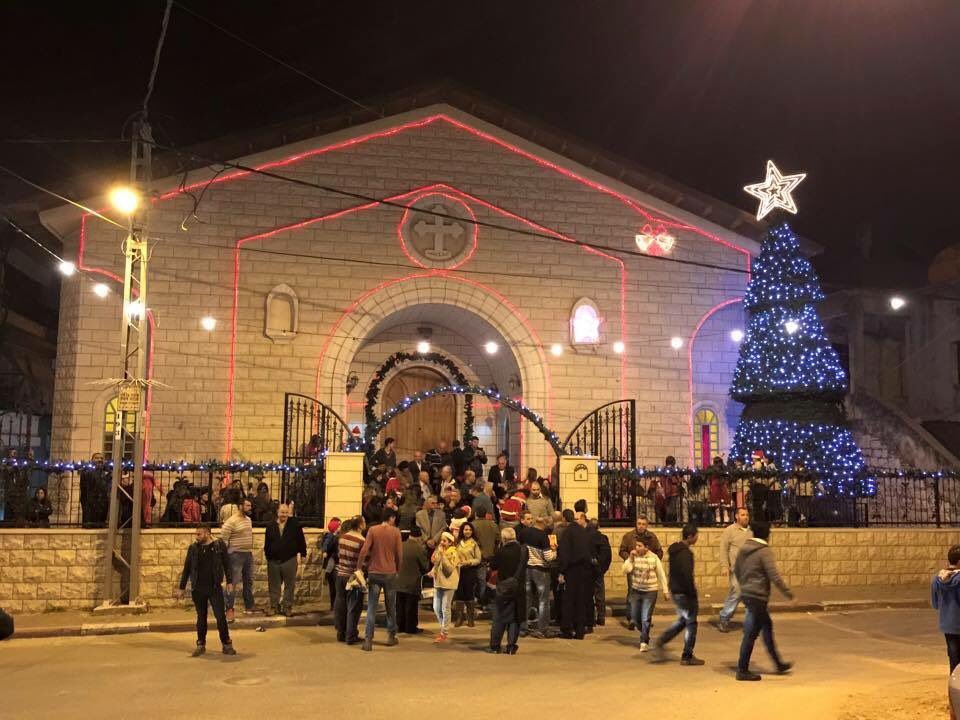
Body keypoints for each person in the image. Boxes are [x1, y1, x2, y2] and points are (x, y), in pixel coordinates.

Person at [735, 521, 794, 681]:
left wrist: (745, 584)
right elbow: (773, 575)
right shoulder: (764, 551)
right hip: (758, 596)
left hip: (747, 593)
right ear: (768, 534)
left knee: (766, 628)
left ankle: (778, 663)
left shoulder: (744, 549)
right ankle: (742, 669)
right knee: (751, 633)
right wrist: (787, 593)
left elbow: (737, 569)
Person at [176, 523, 236, 656]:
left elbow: (227, 563)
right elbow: (187, 568)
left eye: (199, 534)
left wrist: (229, 581)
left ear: (207, 533)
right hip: (198, 588)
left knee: (220, 617)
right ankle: (200, 644)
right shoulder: (193, 548)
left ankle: (226, 643)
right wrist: (182, 587)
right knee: (201, 617)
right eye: (196, 534)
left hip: (214, 587)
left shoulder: (219, 546)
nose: (196, 536)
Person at [651, 524, 704, 666]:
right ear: (690, 536)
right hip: (684, 593)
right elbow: (687, 575)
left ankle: (662, 640)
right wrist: (692, 593)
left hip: (676, 590)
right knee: (691, 623)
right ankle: (687, 655)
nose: (697, 538)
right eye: (696, 535)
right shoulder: (686, 554)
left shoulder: (675, 550)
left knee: (683, 621)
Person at [357, 506, 403, 651]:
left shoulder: (372, 530)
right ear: (392, 518)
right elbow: (399, 554)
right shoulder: (396, 532)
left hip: (374, 572)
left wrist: (359, 566)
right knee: (391, 606)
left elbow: (364, 550)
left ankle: (368, 640)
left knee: (372, 607)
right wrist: (398, 569)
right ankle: (391, 636)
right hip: (389, 573)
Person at [617, 515, 663, 630]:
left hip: (647, 571)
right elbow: (622, 550)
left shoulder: (652, 537)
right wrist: (630, 559)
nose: (641, 526)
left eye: (643, 524)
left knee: (647, 595)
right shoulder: (628, 537)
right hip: (633, 570)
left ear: (646, 525)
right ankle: (632, 619)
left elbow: (659, 551)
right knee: (632, 593)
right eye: (639, 523)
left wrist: (652, 562)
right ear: (636, 524)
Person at [622, 539, 669, 651]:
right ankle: (644, 632)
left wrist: (665, 590)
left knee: (645, 617)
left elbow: (661, 574)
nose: (636, 548)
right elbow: (625, 570)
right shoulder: (634, 556)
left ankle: (644, 641)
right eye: (636, 545)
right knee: (634, 616)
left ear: (646, 547)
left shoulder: (653, 558)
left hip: (650, 591)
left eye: (639, 545)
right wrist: (630, 558)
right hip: (636, 590)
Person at [488, 526, 528, 654]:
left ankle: (495, 646)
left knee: (499, 617)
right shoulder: (523, 550)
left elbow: (493, 566)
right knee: (514, 618)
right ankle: (511, 646)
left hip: (503, 588)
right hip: (518, 588)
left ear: (503, 538)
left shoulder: (501, 552)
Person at [263, 503, 307, 617]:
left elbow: (300, 539)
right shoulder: (270, 525)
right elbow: (267, 543)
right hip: (273, 560)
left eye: (286, 512)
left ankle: (287, 607)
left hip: (289, 559)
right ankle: (274, 606)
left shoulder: (295, 524)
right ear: (277, 512)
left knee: (289, 585)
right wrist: (268, 556)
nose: (284, 515)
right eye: (282, 512)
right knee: (274, 585)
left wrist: (303, 553)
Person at [557, 510, 593, 639]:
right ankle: (580, 630)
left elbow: (565, 554)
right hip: (583, 570)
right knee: (581, 600)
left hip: (572, 570)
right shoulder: (582, 532)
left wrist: (562, 571)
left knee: (569, 600)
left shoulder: (567, 533)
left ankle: (566, 629)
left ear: (565, 520)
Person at [220, 498, 256, 621]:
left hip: (248, 554)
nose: (250, 507)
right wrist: (226, 555)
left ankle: (249, 606)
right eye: (247, 505)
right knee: (232, 583)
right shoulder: (231, 521)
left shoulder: (249, 520)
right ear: (240, 506)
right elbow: (223, 539)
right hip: (235, 555)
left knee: (249, 581)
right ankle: (229, 609)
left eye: (250, 505)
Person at [718, 507, 753, 632]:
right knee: (736, 592)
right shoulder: (730, 531)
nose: (746, 517)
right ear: (737, 516)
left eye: (747, 515)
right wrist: (724, 566)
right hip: (736, 569)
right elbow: (723, 549)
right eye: (743, 515)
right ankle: (724, 617)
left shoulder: (751, 531)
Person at [334, 516, 366, 644]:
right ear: (360, 525)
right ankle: (351, 635)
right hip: (352, 577)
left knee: (341, 605)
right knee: (354, 607)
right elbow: (363, 560)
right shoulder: (361, 540)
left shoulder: (342, 537)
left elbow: (339, 554)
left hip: (340, 574)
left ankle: (341, 632)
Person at [522, 515, 555, 638]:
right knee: (543, 600)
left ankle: (523, 627)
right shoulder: (543, 537)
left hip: (526, 568)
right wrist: (554, 550)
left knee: (527, 598)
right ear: (545, 524)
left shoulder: (524, 532)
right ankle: (542, 629)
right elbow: (548, 557)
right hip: (541, 570)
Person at [396, 527, 430, 634]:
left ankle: (400, 626)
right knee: (411, 607)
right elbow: (425, 567)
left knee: (400, 606)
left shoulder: (400, 545)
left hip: (398, 581)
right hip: (412, 582)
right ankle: (410, 628)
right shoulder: (419, 548)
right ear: (419, 537)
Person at [931, 544, 960, 672]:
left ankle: (954, 684)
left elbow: (936, 604)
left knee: (953, 657)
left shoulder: (936, 579)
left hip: (948, 625)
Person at [430, 531, 460, 643]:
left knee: (445, 608)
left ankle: (444, 632)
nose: (442, 542)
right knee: (436, 608)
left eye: (444, 541)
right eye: (441, 540)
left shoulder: (454, 553)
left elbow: (449, 569)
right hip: (438, 582)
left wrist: (443, 556)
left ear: (450, 543)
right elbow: (435, 563)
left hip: (449, 583)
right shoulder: (440, 550)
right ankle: (444, 627)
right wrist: (432, 570)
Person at [453, 521, 482, 627]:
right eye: (466, 529)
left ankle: (470, 618)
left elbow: (478, 559)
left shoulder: (475, 543)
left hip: (470, 571)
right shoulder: (457, 542)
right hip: (459, 571)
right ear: (462, 531)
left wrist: (469, 562)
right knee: (459, 594)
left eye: (470, 530)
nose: (468, 531)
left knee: (469, 594)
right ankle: (459, 617)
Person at [588, 518, 612, 628]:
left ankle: (591, 618)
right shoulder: (603, 538)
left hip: (588, 569)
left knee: (588, 595)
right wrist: (603, 568)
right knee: (599, 594)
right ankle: (601, 617)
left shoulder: (585, 537)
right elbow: (607, 555)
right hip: (598, 570)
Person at [79, 453, 108, 526]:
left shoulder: (107, 472)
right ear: (92, 460)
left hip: (103, 502)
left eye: (101, 458)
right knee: (90, 523)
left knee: (101, 523)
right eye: (97, 458)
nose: (99, 460)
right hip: (90, 502)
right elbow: (84, 487)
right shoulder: (86, 471)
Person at [320, 517, 341, 610]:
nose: (341, 526)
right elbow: (326, 546)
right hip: (332, 563)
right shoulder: (331, 536)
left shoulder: (334, 536)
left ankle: (333, 605)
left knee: (333, 588)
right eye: (339, 525)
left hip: (330, 563)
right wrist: (324, 551)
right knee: (335, 588)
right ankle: (334, 605)